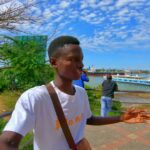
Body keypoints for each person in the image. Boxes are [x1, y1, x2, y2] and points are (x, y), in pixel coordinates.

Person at [0, 36, 149, 150]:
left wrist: (122, 117)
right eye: (73, 59)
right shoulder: (35, 97)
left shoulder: (81, 93)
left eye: (81, 59)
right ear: (54, 63)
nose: (81, 64)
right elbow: (8, 141)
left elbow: (89, 119)